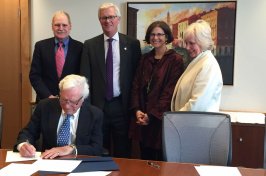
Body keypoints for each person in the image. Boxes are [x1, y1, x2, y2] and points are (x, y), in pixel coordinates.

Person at [80, 3, 141, 158]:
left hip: (122, 106)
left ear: (118, 19)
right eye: (103, 17)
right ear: (100, 20)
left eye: (111, 17)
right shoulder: (90, 45)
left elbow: (137, 78)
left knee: (124, 151)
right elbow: (85, 79)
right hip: (98, 107)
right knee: (99, 150)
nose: (108, 21)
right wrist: (87, 108)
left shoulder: (132, 44)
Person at [129, 21, 184, 161]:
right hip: (142, 119)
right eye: (152, 34)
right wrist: (137, 111)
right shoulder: (144, 59)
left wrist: (151, 115)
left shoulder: (175, 60)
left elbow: (169, 92)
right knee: (145, 161)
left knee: (162, 163)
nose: (155, 37)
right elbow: (135, 86)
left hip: (161, 120)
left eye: (159, 34)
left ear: (166, 37)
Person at [14, 74, 103, 159]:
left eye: (73, 102)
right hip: (49, 161)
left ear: (82, 99)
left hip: (79, 163)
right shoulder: (45, 106)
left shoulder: (94, 114)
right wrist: (23, 145)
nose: (67, 106)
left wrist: (71, 148)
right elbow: (28, 132)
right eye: (63, 100)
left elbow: (97, 148)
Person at [29, 11, 83, 103]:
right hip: (45, 101)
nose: (61, 28)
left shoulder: (80, 47)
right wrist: (48, 96)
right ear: (52, 26)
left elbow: (82, 76)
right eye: (57, 25)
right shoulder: (40, 46)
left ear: (70, 26)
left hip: (71, 102)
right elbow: (35, 76)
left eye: (64, 25)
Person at [171, 20, 223, 112]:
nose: (187, 47)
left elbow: (196, 105)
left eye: (191, 43)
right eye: (186, 43)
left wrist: (175, 118)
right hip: (189, 122)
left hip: (197, 123)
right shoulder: (199, 61)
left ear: (203, 42)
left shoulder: (208, 65)